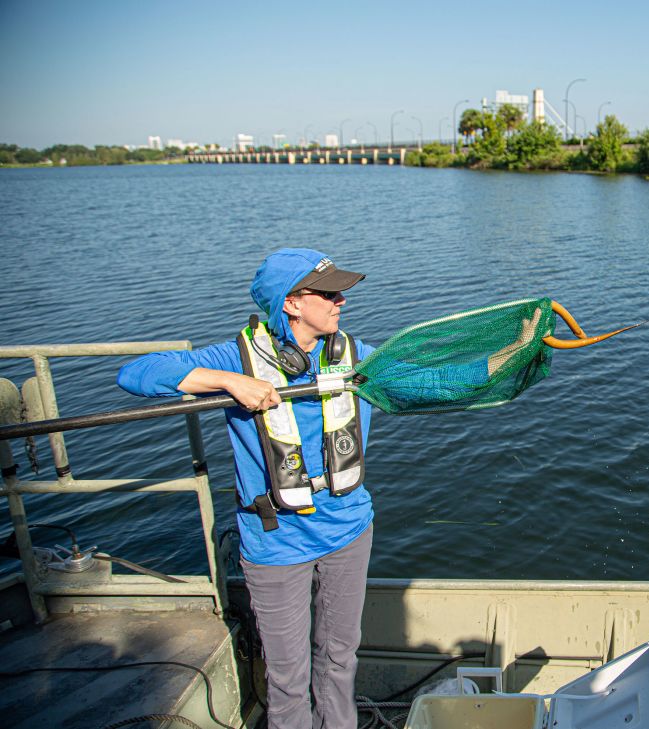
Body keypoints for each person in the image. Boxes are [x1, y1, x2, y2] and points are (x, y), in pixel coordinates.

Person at [116, 248, 537, 729]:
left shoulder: (359, 359)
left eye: (341, 292)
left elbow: (436, 381)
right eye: (329, 293)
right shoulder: (236, 359)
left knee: (339, 660)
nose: (342, 300)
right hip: (275, 542)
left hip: (349, 532)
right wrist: (228, 382)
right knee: (288, 677)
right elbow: (135, 374)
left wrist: (512, 353)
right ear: (291, 304)